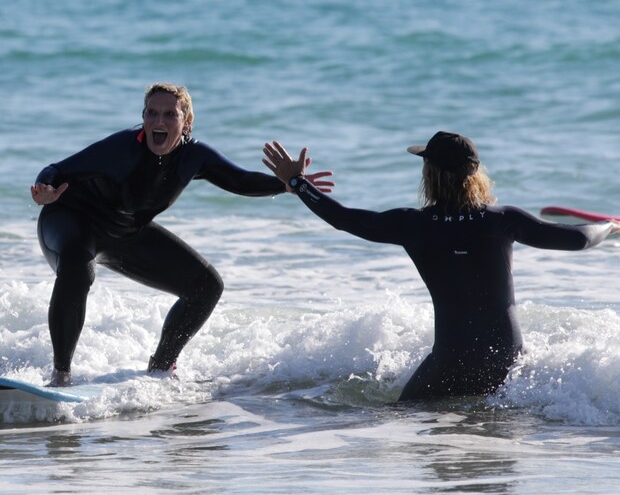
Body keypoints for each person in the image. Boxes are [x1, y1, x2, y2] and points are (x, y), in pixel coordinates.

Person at [263, 133, 620, 401]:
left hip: (450, 362)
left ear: (429, 174)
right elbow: (578, 239)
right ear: (476, 174)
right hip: (507, 362)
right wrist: (608, 225)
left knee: (402, 424)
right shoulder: (502, 221)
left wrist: (298, 183)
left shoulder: (412, 224)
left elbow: (342, 218)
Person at [31, 82, 333, 387]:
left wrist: (288, 184)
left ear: (186, 124)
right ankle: (60, 376)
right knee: (78, 270)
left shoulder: (194, 157)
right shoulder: (122, 148)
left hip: (124, 233)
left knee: (206, 286)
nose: (158, 121)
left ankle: (160, 370)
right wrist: (45, 189)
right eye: (151, 113)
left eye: (169, 115)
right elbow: (57, 169)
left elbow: (239, 180)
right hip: (69, 219)